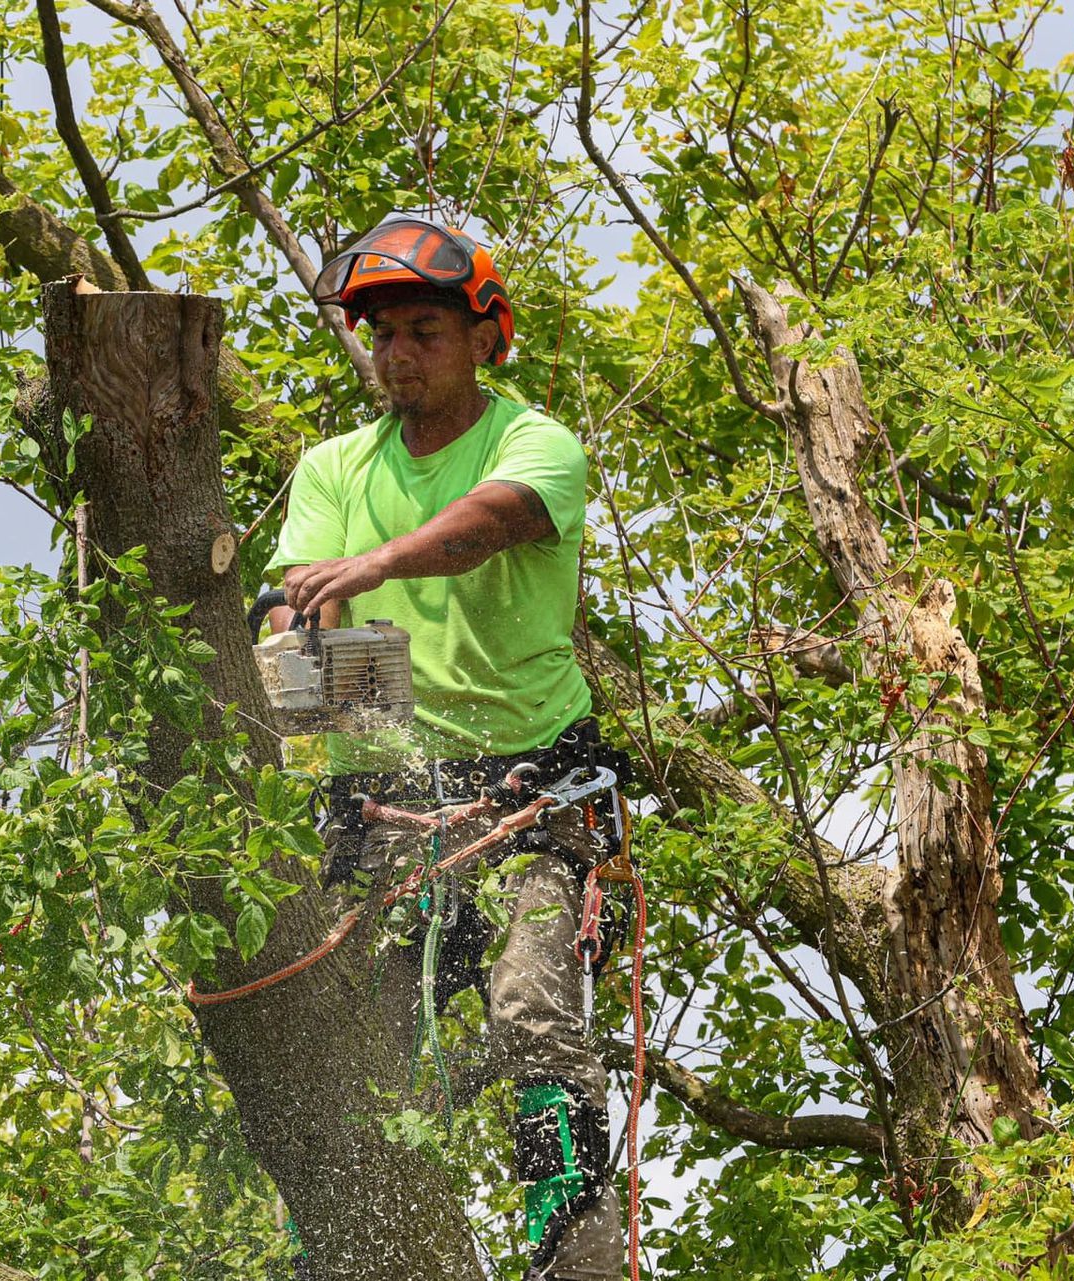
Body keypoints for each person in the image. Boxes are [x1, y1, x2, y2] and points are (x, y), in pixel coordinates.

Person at [265, 218, 628, 1280]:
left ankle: (573, 1256)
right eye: (381, 334)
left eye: (424, 329)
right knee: (358, 1060)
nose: (399, 353)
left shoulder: (534, 443)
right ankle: (351, 1256)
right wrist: (284, 643)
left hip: (529, 795)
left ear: (483, 335)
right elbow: (298, 612)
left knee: (530, 1012)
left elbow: (491, 521)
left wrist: (377, 566)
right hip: (382, 801)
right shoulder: (334, 467)